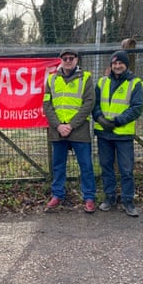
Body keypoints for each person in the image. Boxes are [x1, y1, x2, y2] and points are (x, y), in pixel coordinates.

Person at [43, 49, 97, 213]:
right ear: (60, 60)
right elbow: (47, 104)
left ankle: (89, 197)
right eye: (65, 58)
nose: (68, 61)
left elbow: (89, 103)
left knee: (86, 165)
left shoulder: (86, 77)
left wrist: (71, 125)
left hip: (79, 130)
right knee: (58, 165)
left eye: (71, 58)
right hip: (57, 130)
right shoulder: (51, 79)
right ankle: (57, 194)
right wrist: (59, 125)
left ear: (76, 60)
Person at [93, 50, 143, 217]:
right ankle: (109, 197)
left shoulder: (135, 83)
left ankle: (128, 200)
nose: (117, 65)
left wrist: (116, 121)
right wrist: (100, 118)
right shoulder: (101, 82)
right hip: (103, 133)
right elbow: (94, 104)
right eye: (114, 63)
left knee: (127, 169)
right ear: (111, 65)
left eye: (120, 63)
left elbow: (136, 108)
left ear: (126, 65)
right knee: (106, 167)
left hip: (123, 134)